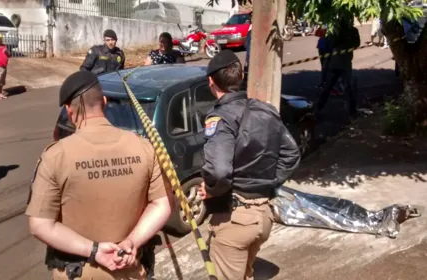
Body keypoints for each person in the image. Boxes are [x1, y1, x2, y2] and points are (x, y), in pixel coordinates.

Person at [26, 71, 173, 279]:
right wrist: (132, 241)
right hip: (131, 268)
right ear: (104, 102)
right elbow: (163, 204)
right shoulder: (144, 147)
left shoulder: (55, 156)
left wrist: (94, 250)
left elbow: (40, 225)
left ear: (70, 111)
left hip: (78, 273)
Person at [197, 50, 301, 280]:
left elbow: (220, 172)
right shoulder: (266, 110)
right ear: (240, 75)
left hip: (236, 220)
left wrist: (212, 191)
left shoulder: (220, 118)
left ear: (211, 82)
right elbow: (291, 154)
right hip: (263, 216)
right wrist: (264, 184)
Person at [315, 20, 360, 118]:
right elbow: (357, 44)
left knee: (328, 87)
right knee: (348, 87)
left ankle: (317, 110)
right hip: (345, 62)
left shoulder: (336, 31)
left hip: (336, 62)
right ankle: (352, 113)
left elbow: (330, 44)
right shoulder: (352, 31)